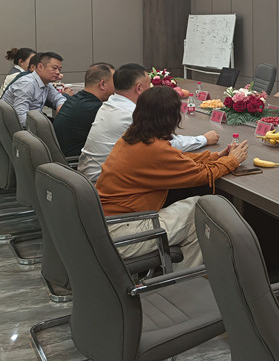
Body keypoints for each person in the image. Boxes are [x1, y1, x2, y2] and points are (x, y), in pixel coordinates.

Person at [96, 86, 248, 269]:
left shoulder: (131, 137)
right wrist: (232, 161)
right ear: (172, 117)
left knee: (195, 205)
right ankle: (185, 280)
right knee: (203, 210)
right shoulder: (154, 149)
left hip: (106, 225)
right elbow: (202, 175)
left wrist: (216, 157)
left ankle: (187, 272)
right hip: (125, 234)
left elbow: (177, 160)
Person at [78, 63, 219, 183]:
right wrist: (204, 139)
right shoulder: (131, 115)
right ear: (139, 88)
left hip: (89, 180)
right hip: (103, 183)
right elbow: (166, 145)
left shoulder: (109, 104)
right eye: (149, 85)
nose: (151, 89)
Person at [53, 63, 115, 158]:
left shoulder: (76, 99)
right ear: (102, 84)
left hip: (63, 159)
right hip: (75, 162)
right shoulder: (95, 109)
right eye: (115, 82)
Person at [0, 52, 74, 127]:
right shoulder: (27, 83)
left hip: (33, 121)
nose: (58, 72)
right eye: (54, 68)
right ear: (40, 67)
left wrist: (60, 105)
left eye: (59, 69)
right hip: (15, 128)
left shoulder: (46, 83)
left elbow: (58, 97)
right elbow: (21, 118)